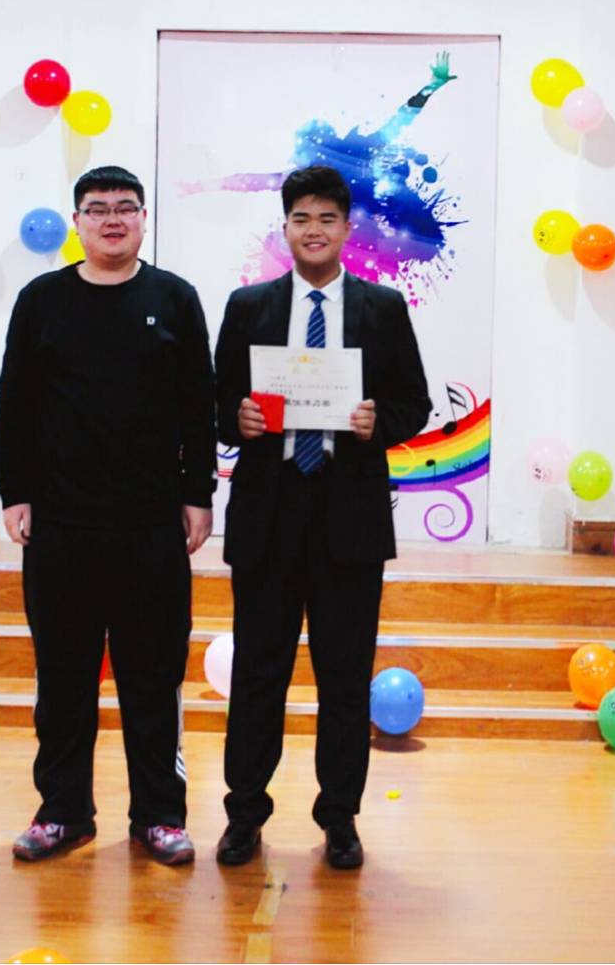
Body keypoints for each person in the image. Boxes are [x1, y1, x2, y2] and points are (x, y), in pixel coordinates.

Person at [0, 165, 216, 865]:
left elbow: (199, 405)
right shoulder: (41, 300)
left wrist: (198, 493)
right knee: (63, 679)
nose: (112, 219)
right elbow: (13, 402)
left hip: (151, 525)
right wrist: (13, 491)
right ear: (78, 222)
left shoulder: (174, 298)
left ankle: (159, 815)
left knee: (153, 678)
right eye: (97, 208)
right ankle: (63, 812)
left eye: (125, 207)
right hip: (61, 525)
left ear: (144, 218)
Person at [212, 164, 431, 869]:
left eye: (327, 219)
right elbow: (214, 401)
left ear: (346, 228)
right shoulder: (249, 307)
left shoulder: (382, 308)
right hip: (268, 519)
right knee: (257, 678)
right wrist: (237, 418)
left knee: (343, 679)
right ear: (285, 228)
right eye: (301, 218)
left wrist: (376, 421)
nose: (313, 230)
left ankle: (340, 817)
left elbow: (415, 402)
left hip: (349, 522)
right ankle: (244, 814)